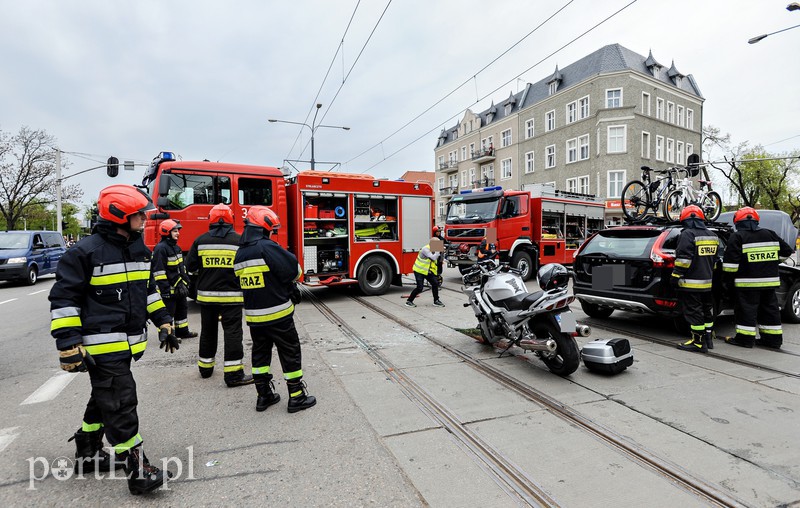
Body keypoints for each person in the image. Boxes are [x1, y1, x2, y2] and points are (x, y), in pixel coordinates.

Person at [49, 184, 179, 495]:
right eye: (139, 216)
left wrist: (164, 322)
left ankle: (89, 450)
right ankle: (138, 469)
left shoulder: (139, 250)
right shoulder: (83, 253)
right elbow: (64, 300)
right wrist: (68, 343)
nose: (144, 221)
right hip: (100, 345)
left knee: (106, 395)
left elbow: (148, 291)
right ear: (121, 217)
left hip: (127, 345)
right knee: (120, 401)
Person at [233, 206, 316, 413]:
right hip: (279, 315)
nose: (272, 233)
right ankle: (296, 397)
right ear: (264, 227)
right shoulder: (267, 247)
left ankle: (264, 396)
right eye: (271, 230)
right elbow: (294, 270)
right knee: (290, 352)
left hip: (254, 318)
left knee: (260, 355)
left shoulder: (240, 253)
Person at [185, 204, 253, 387]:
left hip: (207, 298)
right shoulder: (239, 241)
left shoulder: (200, 241)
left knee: (208, 332)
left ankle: (205, 369)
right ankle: (233, 375)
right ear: (231, 219)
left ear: (211, 219)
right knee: (232, 333)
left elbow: (189, 268)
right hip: (232, 298)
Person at [723, 207, 794, 349]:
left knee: (746, 311)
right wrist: (772, 262)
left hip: (747, 284)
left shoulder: (738, 237)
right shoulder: (770, 234)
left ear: (737, 222)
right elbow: (787, 251)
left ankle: (745, 340)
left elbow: (730, 266)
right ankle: (773, 341)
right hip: (769, 283)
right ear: (756, 220)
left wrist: (727, 283)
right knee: (770, 311)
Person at [672, 205, 719, 353]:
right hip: (707, 283)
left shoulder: (687, 234)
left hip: (691, 283)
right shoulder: (712, 235)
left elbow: (683, 260)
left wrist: (675, 275)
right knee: (706, 311)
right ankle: (708, 339)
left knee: (694, 313)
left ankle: (698, 343)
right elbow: (715, 261)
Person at [152, 220, 197, 340]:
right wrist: (165, 290)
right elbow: (159, 272)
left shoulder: (176, 248)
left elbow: (181, 268)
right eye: (175, 231)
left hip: (179, 288)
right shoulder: (161, 249)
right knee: (168, 313)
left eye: (178, 231)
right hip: (168, 289)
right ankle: (167, 335)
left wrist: (186, 281)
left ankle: (182, 331)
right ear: (167, 232)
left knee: (182, 310)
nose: (178, 233)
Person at [406, 237, 445, 307]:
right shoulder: (425, 249)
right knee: (420, 288)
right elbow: (433, 258)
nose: (439, 245)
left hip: (427, 271)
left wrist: (442, 252)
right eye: (437, 244)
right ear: (432, 244)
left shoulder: (434, 249)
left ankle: (436, 300)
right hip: (419, 271)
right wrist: (438, 251)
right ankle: (409, 301)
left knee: (435, 284)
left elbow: (439, 260)